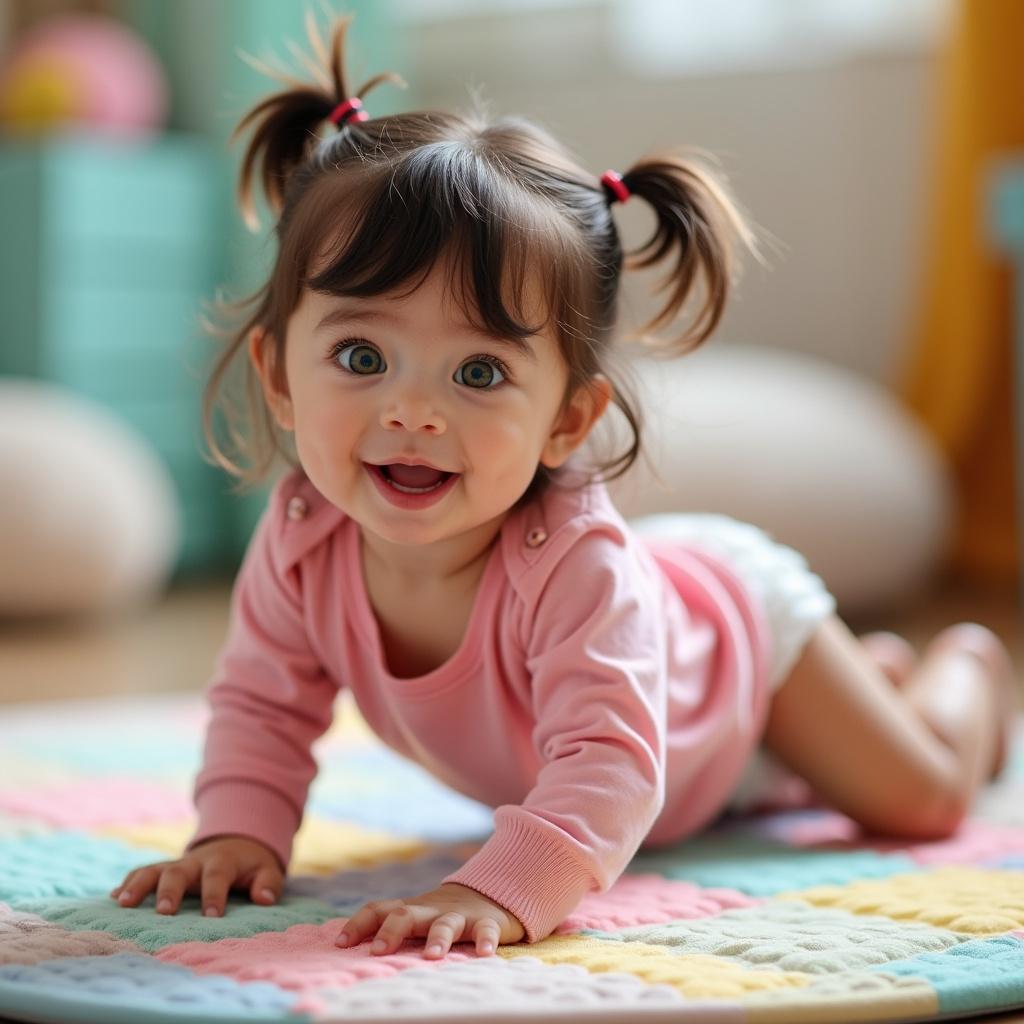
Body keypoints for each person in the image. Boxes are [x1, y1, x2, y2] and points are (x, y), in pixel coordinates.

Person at [111, 12, 1017, 960]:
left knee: (923, 800)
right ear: (281, 376)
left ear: (567, 421)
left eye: (477, 374)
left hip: (741, 653)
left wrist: (502, 887)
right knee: (782, 779)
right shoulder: (301, 539)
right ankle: (871, 681)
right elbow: (263, 706)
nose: (414, 412)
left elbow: (611, 761)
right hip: (696, 750)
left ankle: (963, 673)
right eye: (361, 353)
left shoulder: (577, 568)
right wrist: (236, 836)